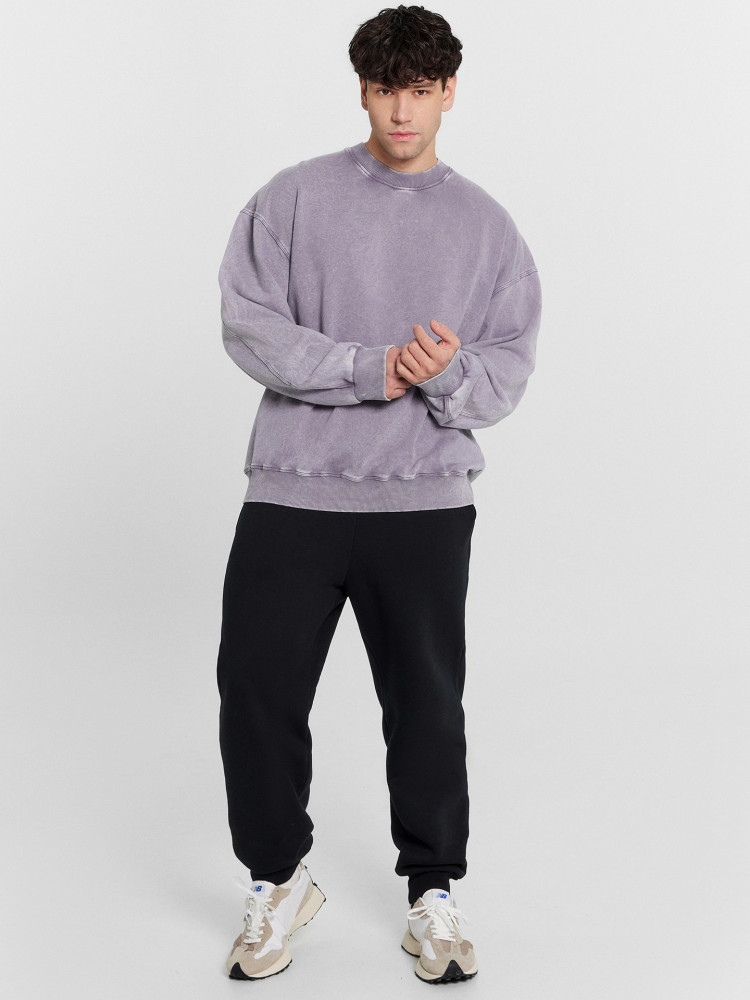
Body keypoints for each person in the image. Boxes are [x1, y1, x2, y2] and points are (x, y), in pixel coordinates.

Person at [215, 3, 542, 985]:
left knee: (427, 707)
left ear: (449, 93)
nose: (403, 111)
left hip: (424, 504)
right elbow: (250, 326)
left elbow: (504, 376)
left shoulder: (486, 227)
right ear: (362, 90)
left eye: (422, 90)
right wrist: (373, 367)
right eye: (386, 88)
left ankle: (432, 895)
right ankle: (277, 881)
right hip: (293, 495)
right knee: (257, 694)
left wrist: (442, 373)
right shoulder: (293, 200)